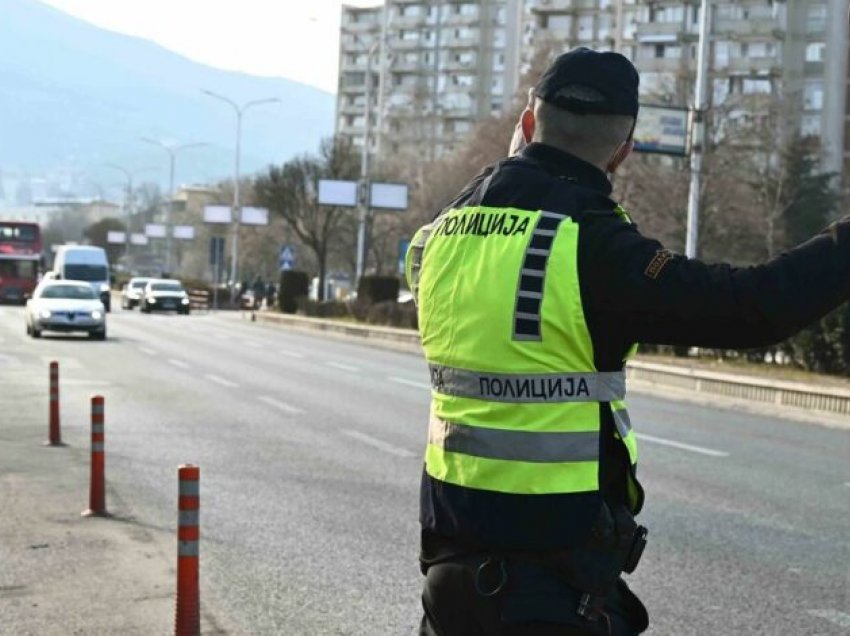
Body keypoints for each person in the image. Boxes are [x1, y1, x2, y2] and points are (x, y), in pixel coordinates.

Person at [405, 47, 850, 635]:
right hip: (547, 589)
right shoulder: (594, 247)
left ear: (528, 121)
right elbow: (752, 309)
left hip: (449, 574)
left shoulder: (441, 232)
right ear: (623, 151)